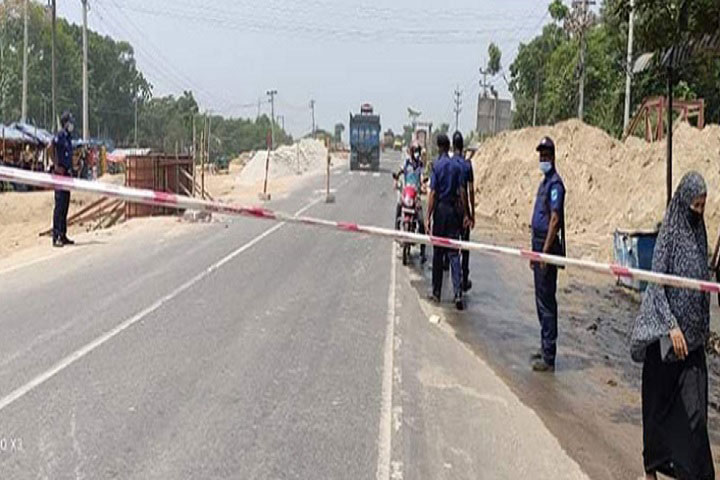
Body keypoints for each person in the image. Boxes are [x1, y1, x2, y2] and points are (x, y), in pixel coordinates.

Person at [630, 172, 714, 480]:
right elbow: (656, 285)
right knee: (658, 409)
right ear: (683, 203)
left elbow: (703, 284)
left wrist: (704, 329)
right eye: (695, 205)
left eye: (703, 206)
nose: (699, 211)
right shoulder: (669, 235)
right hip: (666, 342)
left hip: (692, 344)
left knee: (696, 415)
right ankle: (652, 468)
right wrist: (672, 326)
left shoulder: (700, 233)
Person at [529, 136, 565, 372]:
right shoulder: (544, 183)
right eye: (540, 156)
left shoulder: (555, 185)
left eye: (545, 156)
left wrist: (543, 252)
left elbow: (554, 219)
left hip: (546, 245)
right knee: (540, 299)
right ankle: (544, 347)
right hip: (538, 243)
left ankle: (549, 355)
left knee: (547, 302)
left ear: (552, 157)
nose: (542, 159)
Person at [426, 133, 468, 310]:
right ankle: (458, 293)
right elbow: (462, 192)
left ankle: (436, 293)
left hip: (441, 211)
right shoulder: (456, 167)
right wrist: (465, 214)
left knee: (438, 253)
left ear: (438, 147)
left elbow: (433, 193)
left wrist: (428, 216)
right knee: (453, 253)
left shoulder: (437, 166)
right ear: (448, 146)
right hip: (453, 212)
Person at [394, 144, 427, 262]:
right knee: (398, 207)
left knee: (421, 221)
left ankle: (423, 250)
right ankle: (396, 231)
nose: (414, 153)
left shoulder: (420, 165)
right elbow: (399, 172)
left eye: (415, 151)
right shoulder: (406, 163)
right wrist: (396, 179)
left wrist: (423, 185)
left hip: (415, 195)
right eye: (412, 150)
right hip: (406, 193)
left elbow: (422, 177)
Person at [452, 131, 475, 292]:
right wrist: (472, 214)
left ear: (453, 146)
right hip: (464, 208)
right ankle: (464, 278)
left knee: (452, 246)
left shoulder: (450, 163)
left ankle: (455, 281)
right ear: (463, 146)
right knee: (465, 245)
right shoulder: (467, 165)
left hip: (452, 208)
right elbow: (470, 190)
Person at [52, 111, 75, 248]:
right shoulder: (60, 135)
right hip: (60, 174)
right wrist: (56, 165)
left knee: (65, 205)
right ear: (65, 123)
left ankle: (63, 234)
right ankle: (56, 237)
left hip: (67, 174)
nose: (72, 124)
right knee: (59, 206)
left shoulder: (68, 137)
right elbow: (50, 147)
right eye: (70, 121)